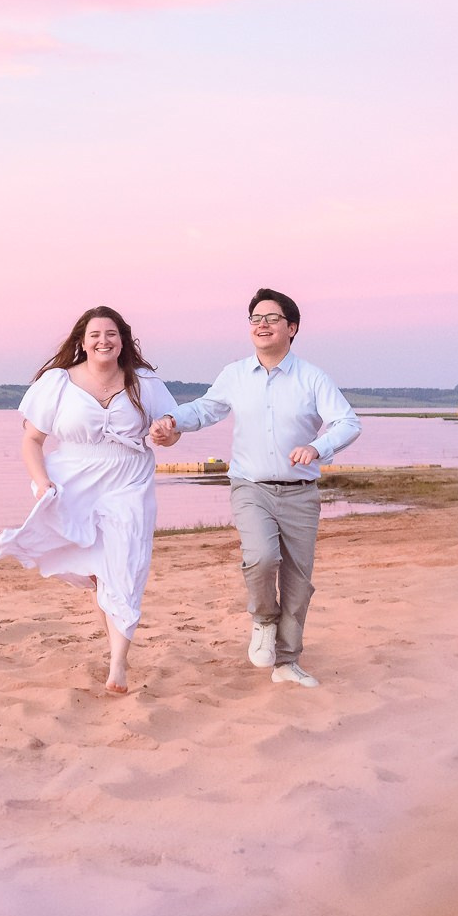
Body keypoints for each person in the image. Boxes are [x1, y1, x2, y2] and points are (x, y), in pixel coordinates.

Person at [149, 288, 359, 688]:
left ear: (291, 328)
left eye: (272, 318)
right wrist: (173, 420)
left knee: (298, 582)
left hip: (300, 492)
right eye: (255, 319)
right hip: (251, 487)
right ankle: (263, 619)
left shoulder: (313, 378)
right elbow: (205, 409)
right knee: (261, 558)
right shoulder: (234, 375)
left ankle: (287, 663)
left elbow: (347, 422)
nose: (262, 324)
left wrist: (317, 446)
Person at [0, 306, 180, 694]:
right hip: (74, 480)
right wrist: (41, 482)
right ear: (82, 341)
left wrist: (165, 435)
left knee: (126, 566)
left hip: (129, 479)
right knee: (101, 573)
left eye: (111, 334)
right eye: (95, 334)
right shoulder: (57, 383)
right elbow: (32, 440)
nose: (103, 341)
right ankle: (115, 649)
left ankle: (117, 664)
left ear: (122, 340)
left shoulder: (144, 383)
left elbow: (170, 431)